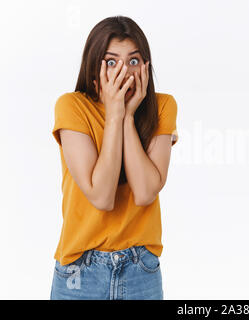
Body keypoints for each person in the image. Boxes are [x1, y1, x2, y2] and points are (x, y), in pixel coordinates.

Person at [50, 15, 178, 300]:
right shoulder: (72, 106)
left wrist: (128, 117)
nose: (125, 72)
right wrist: (114, 114)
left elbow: (145, 192)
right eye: (111, 62)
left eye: (133, 61)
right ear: (94, 67)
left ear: (145, 66)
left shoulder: (163, 107)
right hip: (80, 271)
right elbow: (102, 196)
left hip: (140, 268)